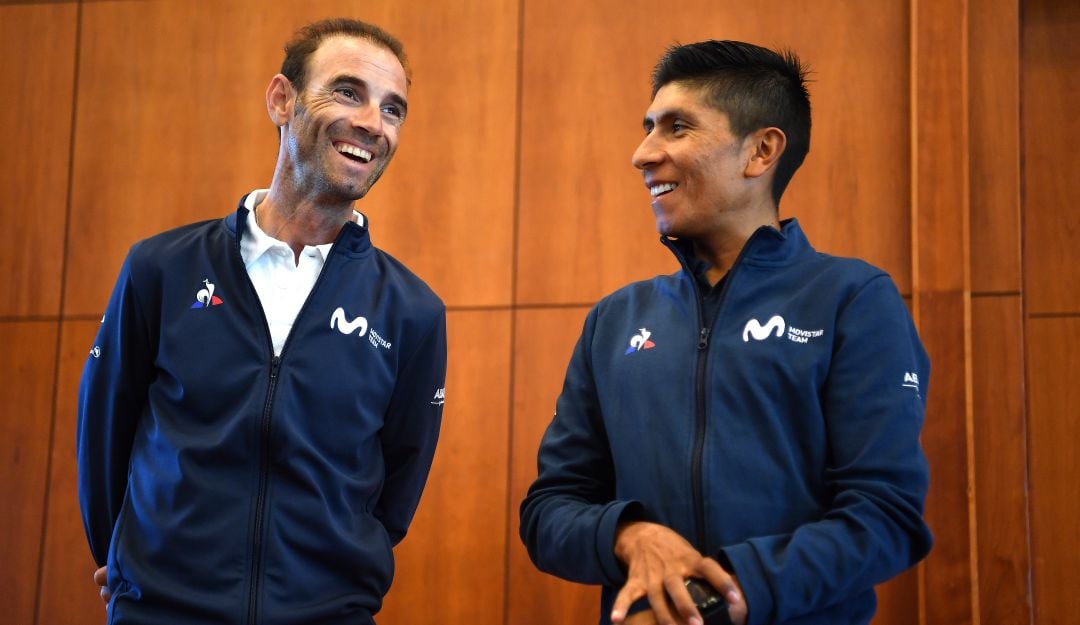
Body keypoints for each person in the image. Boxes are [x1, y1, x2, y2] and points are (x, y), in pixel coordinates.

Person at [520, 40, 932, 625]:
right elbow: (548, 511)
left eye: (677, 127)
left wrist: (715, 602)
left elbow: (885, 517)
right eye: (648, 128)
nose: (642, 154)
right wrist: (630, 535)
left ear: (761, 151)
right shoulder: (615, 320)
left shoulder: (853, 300)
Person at [77, 18, 447, 625]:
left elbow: (395, 496)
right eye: (348, 92)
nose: (373, 124)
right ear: (282, 100)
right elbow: (103, 435)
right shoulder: (161, 269)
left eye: (393, 109)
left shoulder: (413, 312)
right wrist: (126, 560)